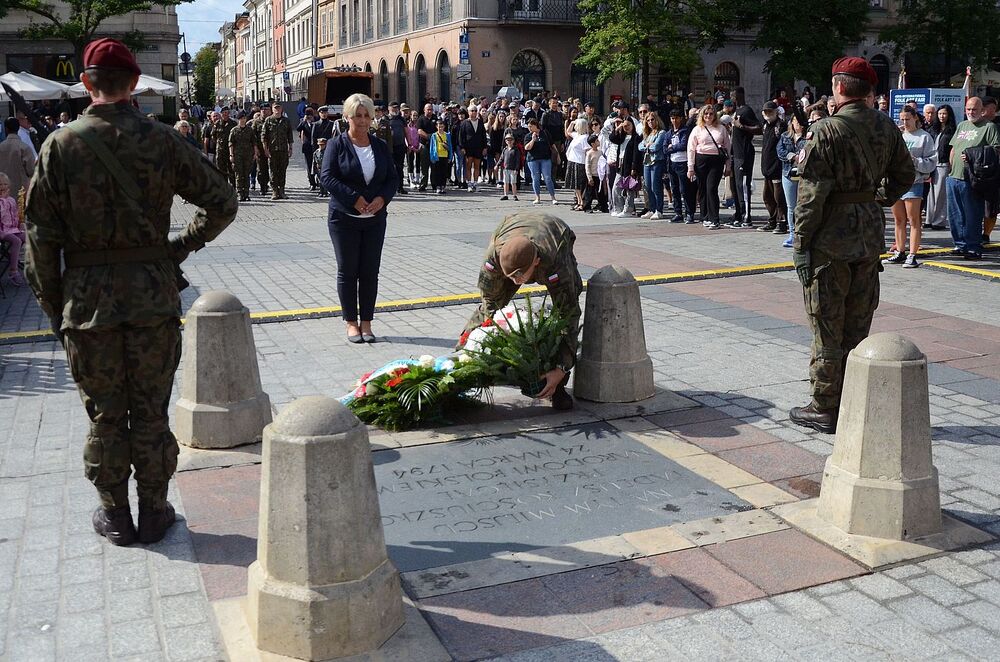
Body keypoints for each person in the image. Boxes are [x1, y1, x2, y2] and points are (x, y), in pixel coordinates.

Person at [24, 38, 237, 546]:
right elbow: (222, 202)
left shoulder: (60, 145)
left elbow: (40, 242)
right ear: (135, 84)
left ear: (86, 83)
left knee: (105, 413)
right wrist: (178, 247)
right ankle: (156, 510)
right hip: (151, 299)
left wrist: (56, 310)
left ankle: (115, 514)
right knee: (150, 409)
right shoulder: (162, 140)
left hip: (87, 305)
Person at [788, 56, 914, 434]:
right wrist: (873, 197)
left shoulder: (825, 130)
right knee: (858, 325)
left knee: (827, 324)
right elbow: (906, 175)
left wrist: (800, 244)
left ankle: (825, 407)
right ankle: (854, 398)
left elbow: (811, 197)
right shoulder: (886, 126)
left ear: (838, 87)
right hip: (869, 237)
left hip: (830, 240)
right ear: (868, 90)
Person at [458, 212, 582, 410]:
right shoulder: (495, 258)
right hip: (512, 226)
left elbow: (569, 313)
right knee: (493, 307)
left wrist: (561, 367)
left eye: (520, 278)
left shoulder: (554, 259)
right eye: (511, 278)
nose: (516, 283)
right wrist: (470, 350)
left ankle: (556, 387)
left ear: (535, 262)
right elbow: (489, 305)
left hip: (553, 232)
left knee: (561, 314)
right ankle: (462, 365)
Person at [319, 93, 398, 344]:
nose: (362, 121)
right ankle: (351, 323)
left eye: (367, 116)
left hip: (375, 220)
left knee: (370, 272)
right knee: (348, 271)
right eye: (357, 116)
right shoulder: (336, 145)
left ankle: (367, 322)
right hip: (344, 219)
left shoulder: (380, 146)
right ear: (347, 117)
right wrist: (353, 198)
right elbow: (327, 177)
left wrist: (381, 199)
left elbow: (393, 179)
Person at [947, 96, 1000, 260]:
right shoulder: (962, 125)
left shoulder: (989, 127)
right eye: (968, 109)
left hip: (973, 178)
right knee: (955, 214)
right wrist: (951, 167)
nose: (971, 112)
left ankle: (973, 247)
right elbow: (954, 148)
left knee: (972, 214)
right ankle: (960, 244)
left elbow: (996, 150)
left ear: (982, 110)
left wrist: (974, 155)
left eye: (975, 109)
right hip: (954, 176)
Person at [883, 106, 936, 268]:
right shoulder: (898, 136)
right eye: (902, 119)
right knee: (899, 220)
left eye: (908, 119)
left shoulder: (924, 137)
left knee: (914, 220)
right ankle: (900, 251)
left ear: (915, 119)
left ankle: (912, 254)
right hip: (895, 182)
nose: (905, 122)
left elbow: (931, 162)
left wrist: (916, 161)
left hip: (914, 182)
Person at [687, 105, 731, 229]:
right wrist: (690, 168)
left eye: (711, 114)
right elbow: (691, 148)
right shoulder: (697, 129)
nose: (708, 116)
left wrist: (728, 166)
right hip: (701, 160)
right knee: (702, 189)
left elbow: (727, 148)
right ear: (702, 115)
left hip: (716, 160)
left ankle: (714, 218)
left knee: (711, 188)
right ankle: (704, 216)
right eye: (706, 114)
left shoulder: (721, 128)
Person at [726, 87, 761, 228]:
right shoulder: (736, 112)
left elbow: (759, 128)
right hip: (735, 153)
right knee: (734, 186)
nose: (731, 98)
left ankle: (747, 217)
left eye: (733, 96)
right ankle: (738, 214)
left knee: (743, 186)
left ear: (740, 95)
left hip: (744, 154)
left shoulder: (746, 110)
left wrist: (742, 126)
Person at [777, 109, 809, 249]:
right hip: (788, 173)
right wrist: (792, 156)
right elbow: (780, 151)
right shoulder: (785, 136)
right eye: (796, 121)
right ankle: (792, 234)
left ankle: (802, 233)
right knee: (791, 207)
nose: (798, 124)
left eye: (801, 122)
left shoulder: (808, 137)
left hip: (803, 175)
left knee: (802, 206)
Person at [925, 104, 956, 230]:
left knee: (940, 194)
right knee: (930, 193)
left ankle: (939, 221)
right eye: (940, 113)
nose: (942, 116)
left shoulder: (952, 130)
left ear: (949, 115)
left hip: (943, 164)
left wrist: (951, 164)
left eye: (944, 114)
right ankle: (929, 219)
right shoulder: (933, 129)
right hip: (932, 163)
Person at [758, 101, 787, 234]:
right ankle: (772, 219)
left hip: (777, 168)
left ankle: (782, 222)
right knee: (767, 197)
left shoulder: (781, 126)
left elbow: (783, 147)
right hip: (766, 167)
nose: (768, 114)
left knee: (779, 197)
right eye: (766, 112)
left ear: (776, 112)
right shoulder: (766, 126)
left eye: (770, 111)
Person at [664, 109, 695, 223]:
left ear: (681, 118)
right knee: (675, 189)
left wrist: (672, 147)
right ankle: (678, 213)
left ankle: (689, 213)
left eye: (676, 118)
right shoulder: (669, 133)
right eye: (672, 118)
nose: (674, 120)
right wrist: (670, 148)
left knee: (685, 190)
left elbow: (683, 145)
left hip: (683, 163)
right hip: (672, 163)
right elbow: (664, 148)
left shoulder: (685, 131)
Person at [638, 111, 667, 220]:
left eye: (652, 119)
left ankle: (659, 210)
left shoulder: (661, 133)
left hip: (657, 162)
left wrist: (647, 146)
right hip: (647, 162)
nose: (650, 122)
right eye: (648, 120)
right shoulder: (647, 133)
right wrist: (647, 145)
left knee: (656, 186)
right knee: (647, 187)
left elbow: (657, 147)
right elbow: (639, 146)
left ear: (657, 120)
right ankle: (652, 208)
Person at [262, 101, 294, 200]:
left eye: (278, 108)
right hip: (272, 150)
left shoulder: (286, 121)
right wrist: (265, 149)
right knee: (273, 171)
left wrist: (290, 148)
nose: (277, 110)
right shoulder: (268, 120)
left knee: (282, 171)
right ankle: (275, 191)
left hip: (283, 150)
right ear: (272, 109)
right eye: (275, 108)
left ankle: (282, 191)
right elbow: (264, 136)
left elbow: (290, 136)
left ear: (281, 109)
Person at [0, 116, 36, 199]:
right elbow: (31, 170)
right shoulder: (24, 147)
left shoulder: (1, 147)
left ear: (6, 129)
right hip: (21, 192)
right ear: (18, 128)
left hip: (2, 192)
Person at [0, 172, 25, 286]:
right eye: (0, 184)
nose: (3, 187)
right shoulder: (3, 201)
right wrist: (3, 200)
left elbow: (14, 215)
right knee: (16, 241)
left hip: (11, 229)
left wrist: (19, 224)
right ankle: (13, 271)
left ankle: (34, 264)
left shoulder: (11, 200)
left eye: (5, 184)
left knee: (28, 237)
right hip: (2, 230)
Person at [524, 119, 557, 205]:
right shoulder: (528, 136)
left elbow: (552, 144)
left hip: (545, 158)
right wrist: (533, 140)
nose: (529, 128)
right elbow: (527, 148)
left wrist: (557, 155)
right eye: (528, 127)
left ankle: (553, 197)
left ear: (536, 125)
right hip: (533, 159)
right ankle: (537, 197)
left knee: (547, 177)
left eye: (531, 126)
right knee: (535, 178)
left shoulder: (545, 133)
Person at [459, 104, 488, 191]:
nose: (474, 112)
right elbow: (461, 136)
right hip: (468, 148)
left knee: (477, 166)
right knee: (468, 166)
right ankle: (469, 184)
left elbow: (483, 135)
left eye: (475, 110)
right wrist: (462, 147)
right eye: (472, 110)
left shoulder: (480, 122)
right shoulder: (464, 123)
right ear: (468, 112)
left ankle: (475, 183)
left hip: (478, 148)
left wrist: (485, 147)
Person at [229, 110, 257, 202]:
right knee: (239, 175)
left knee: (246, 175)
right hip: (237, 156)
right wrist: (231, 154)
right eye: (241, 119)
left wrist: (255, 153)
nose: (243, 120)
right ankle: (240, 193)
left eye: (244, 118)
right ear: (238, 120)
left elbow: (254, 143)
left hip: (248, 155)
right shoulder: (234, 130)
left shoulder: (250, 130)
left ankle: (246, 193)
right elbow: (231, 143)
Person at [565, 118, 590, 211]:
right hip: (572, 161)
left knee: (579, 184)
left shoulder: (584, 138)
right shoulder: (577, 136)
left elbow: (587, 151)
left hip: (580, 162)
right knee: (574, 185)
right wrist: (572, 123)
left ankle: (582, 202)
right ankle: (579, 201)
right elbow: (568, 132)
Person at [429, 118, 454, 194]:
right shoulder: (434, 135)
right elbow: (432, 146)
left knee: (444, 172)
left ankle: (443, 186)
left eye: (442, 126)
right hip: (437, 156)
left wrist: (450, 156)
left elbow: (450, 146)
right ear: (436, 126)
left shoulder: (447, 135)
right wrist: (432, 156)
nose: (440, 128)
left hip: (445, 155)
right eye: (439, 126)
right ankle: (437, 187)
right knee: (437, 172)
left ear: (444, 127)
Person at [214, 108, 237, 187]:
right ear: (221, 114)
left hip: (230, 150)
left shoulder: (233, 123)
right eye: (223, 113)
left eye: (226, 113)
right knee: (221, 169)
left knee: (232, 169)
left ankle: (233, 186)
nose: (225, 114)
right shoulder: (217, 123)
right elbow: (214, 135)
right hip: (220, 150)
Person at [252, 105, 271, 196]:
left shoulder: (272, 120)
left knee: (272, 168)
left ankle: (270, 184)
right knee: (261, 169)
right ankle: (262, 186)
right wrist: (255, 149)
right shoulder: (256, 122)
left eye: (266, 109)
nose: (264, 111)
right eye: (262, 109)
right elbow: (253, 137)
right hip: (260, 149)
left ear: (269, 111)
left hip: (271, 149)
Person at [297, 107, 318, 190]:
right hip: (307, 147)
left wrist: (313, 121)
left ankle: (319, 181)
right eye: (307, 115)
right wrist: (304, 121)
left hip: (316, 147)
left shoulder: (317, 121)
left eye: (310, 115)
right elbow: (298, 129)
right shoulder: (303, 122)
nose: (309, 117)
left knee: (318, 165)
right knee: (309, 166)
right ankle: (312, 183)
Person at [500, 133, 520, 201]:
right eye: (508, 140)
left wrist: (516, 169)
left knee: (513, 182)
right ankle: (506, 195)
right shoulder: (505, 149)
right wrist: (497, 165)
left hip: (513, 169)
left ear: (513, 140)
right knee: (505, 182)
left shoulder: (516, 149)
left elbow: (517, 160)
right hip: (506, 168)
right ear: (505, 141)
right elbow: (501, 158)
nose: (509, 141)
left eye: (511, 140)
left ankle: (514, 195)